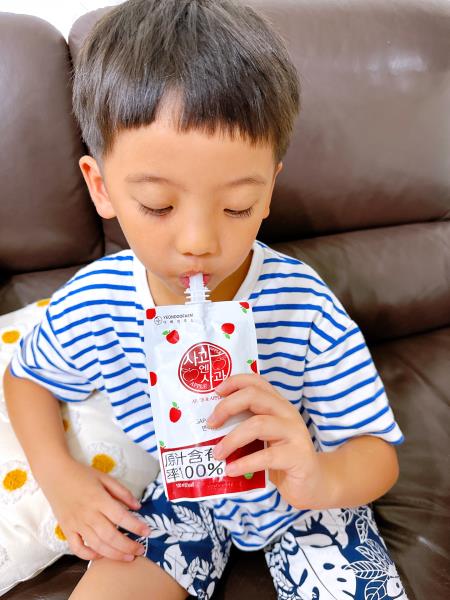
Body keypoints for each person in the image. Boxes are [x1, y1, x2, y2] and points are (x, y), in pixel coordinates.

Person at [3, 1, 409, 598]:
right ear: (101, 186)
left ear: (269, 189)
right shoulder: (95, 302)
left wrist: (318, 477)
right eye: (159, 206)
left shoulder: (303, 305)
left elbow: (377, 455)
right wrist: (62, 477)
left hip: (307, 495)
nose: (198, 242)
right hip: (178, 490)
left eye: (237, 207)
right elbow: (27, 378)